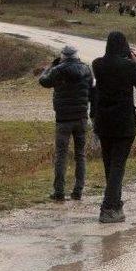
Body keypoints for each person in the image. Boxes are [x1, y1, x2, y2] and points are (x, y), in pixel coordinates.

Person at [92, 32, 136, 223]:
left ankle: (115, 204)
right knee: (118, 165)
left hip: (103, 121)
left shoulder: (97, 64)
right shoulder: (129, 66)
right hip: (123, 121)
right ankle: (108, 208)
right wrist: (134, 61)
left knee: (109, 164)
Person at [39, 45, 93, 202]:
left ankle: (59, 192)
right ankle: (78, 191)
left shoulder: (58, 70)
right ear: (77, 56)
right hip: (82, 117)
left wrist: (50, 67)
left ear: (63, 56)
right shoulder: (86, 69)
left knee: (61, 155)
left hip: (63, 119)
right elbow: (90, 88)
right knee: (80, 155)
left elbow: (43, 81)